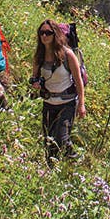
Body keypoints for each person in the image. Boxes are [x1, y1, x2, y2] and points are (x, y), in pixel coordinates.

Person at [29, 20, 86, 164]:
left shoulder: (68, 55)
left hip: (67, 103)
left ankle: (73, 158)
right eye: (41, 33)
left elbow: (79, 81)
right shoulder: (39, 56)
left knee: (61, 138)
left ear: (55, 35)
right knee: (49, 141)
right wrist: (35, 83)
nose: (44, 36)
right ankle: (51, 170)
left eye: (48, 33)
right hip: (48, 102)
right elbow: (34, 77)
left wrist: (81, 104)